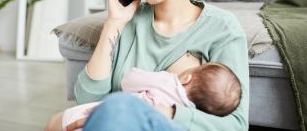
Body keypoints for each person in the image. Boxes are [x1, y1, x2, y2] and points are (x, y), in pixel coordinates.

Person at [60, 0, 250, 131]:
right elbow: (87, 100)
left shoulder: (222, 27)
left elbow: (236, 126)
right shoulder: (129, 22)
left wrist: (166, 112)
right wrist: (114, 22)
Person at [47, 62, 242, 131]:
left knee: (67, 119)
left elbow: (129, 81)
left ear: (186, 78)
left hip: (108, 116)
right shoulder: (191, 115)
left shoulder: (169, 81)